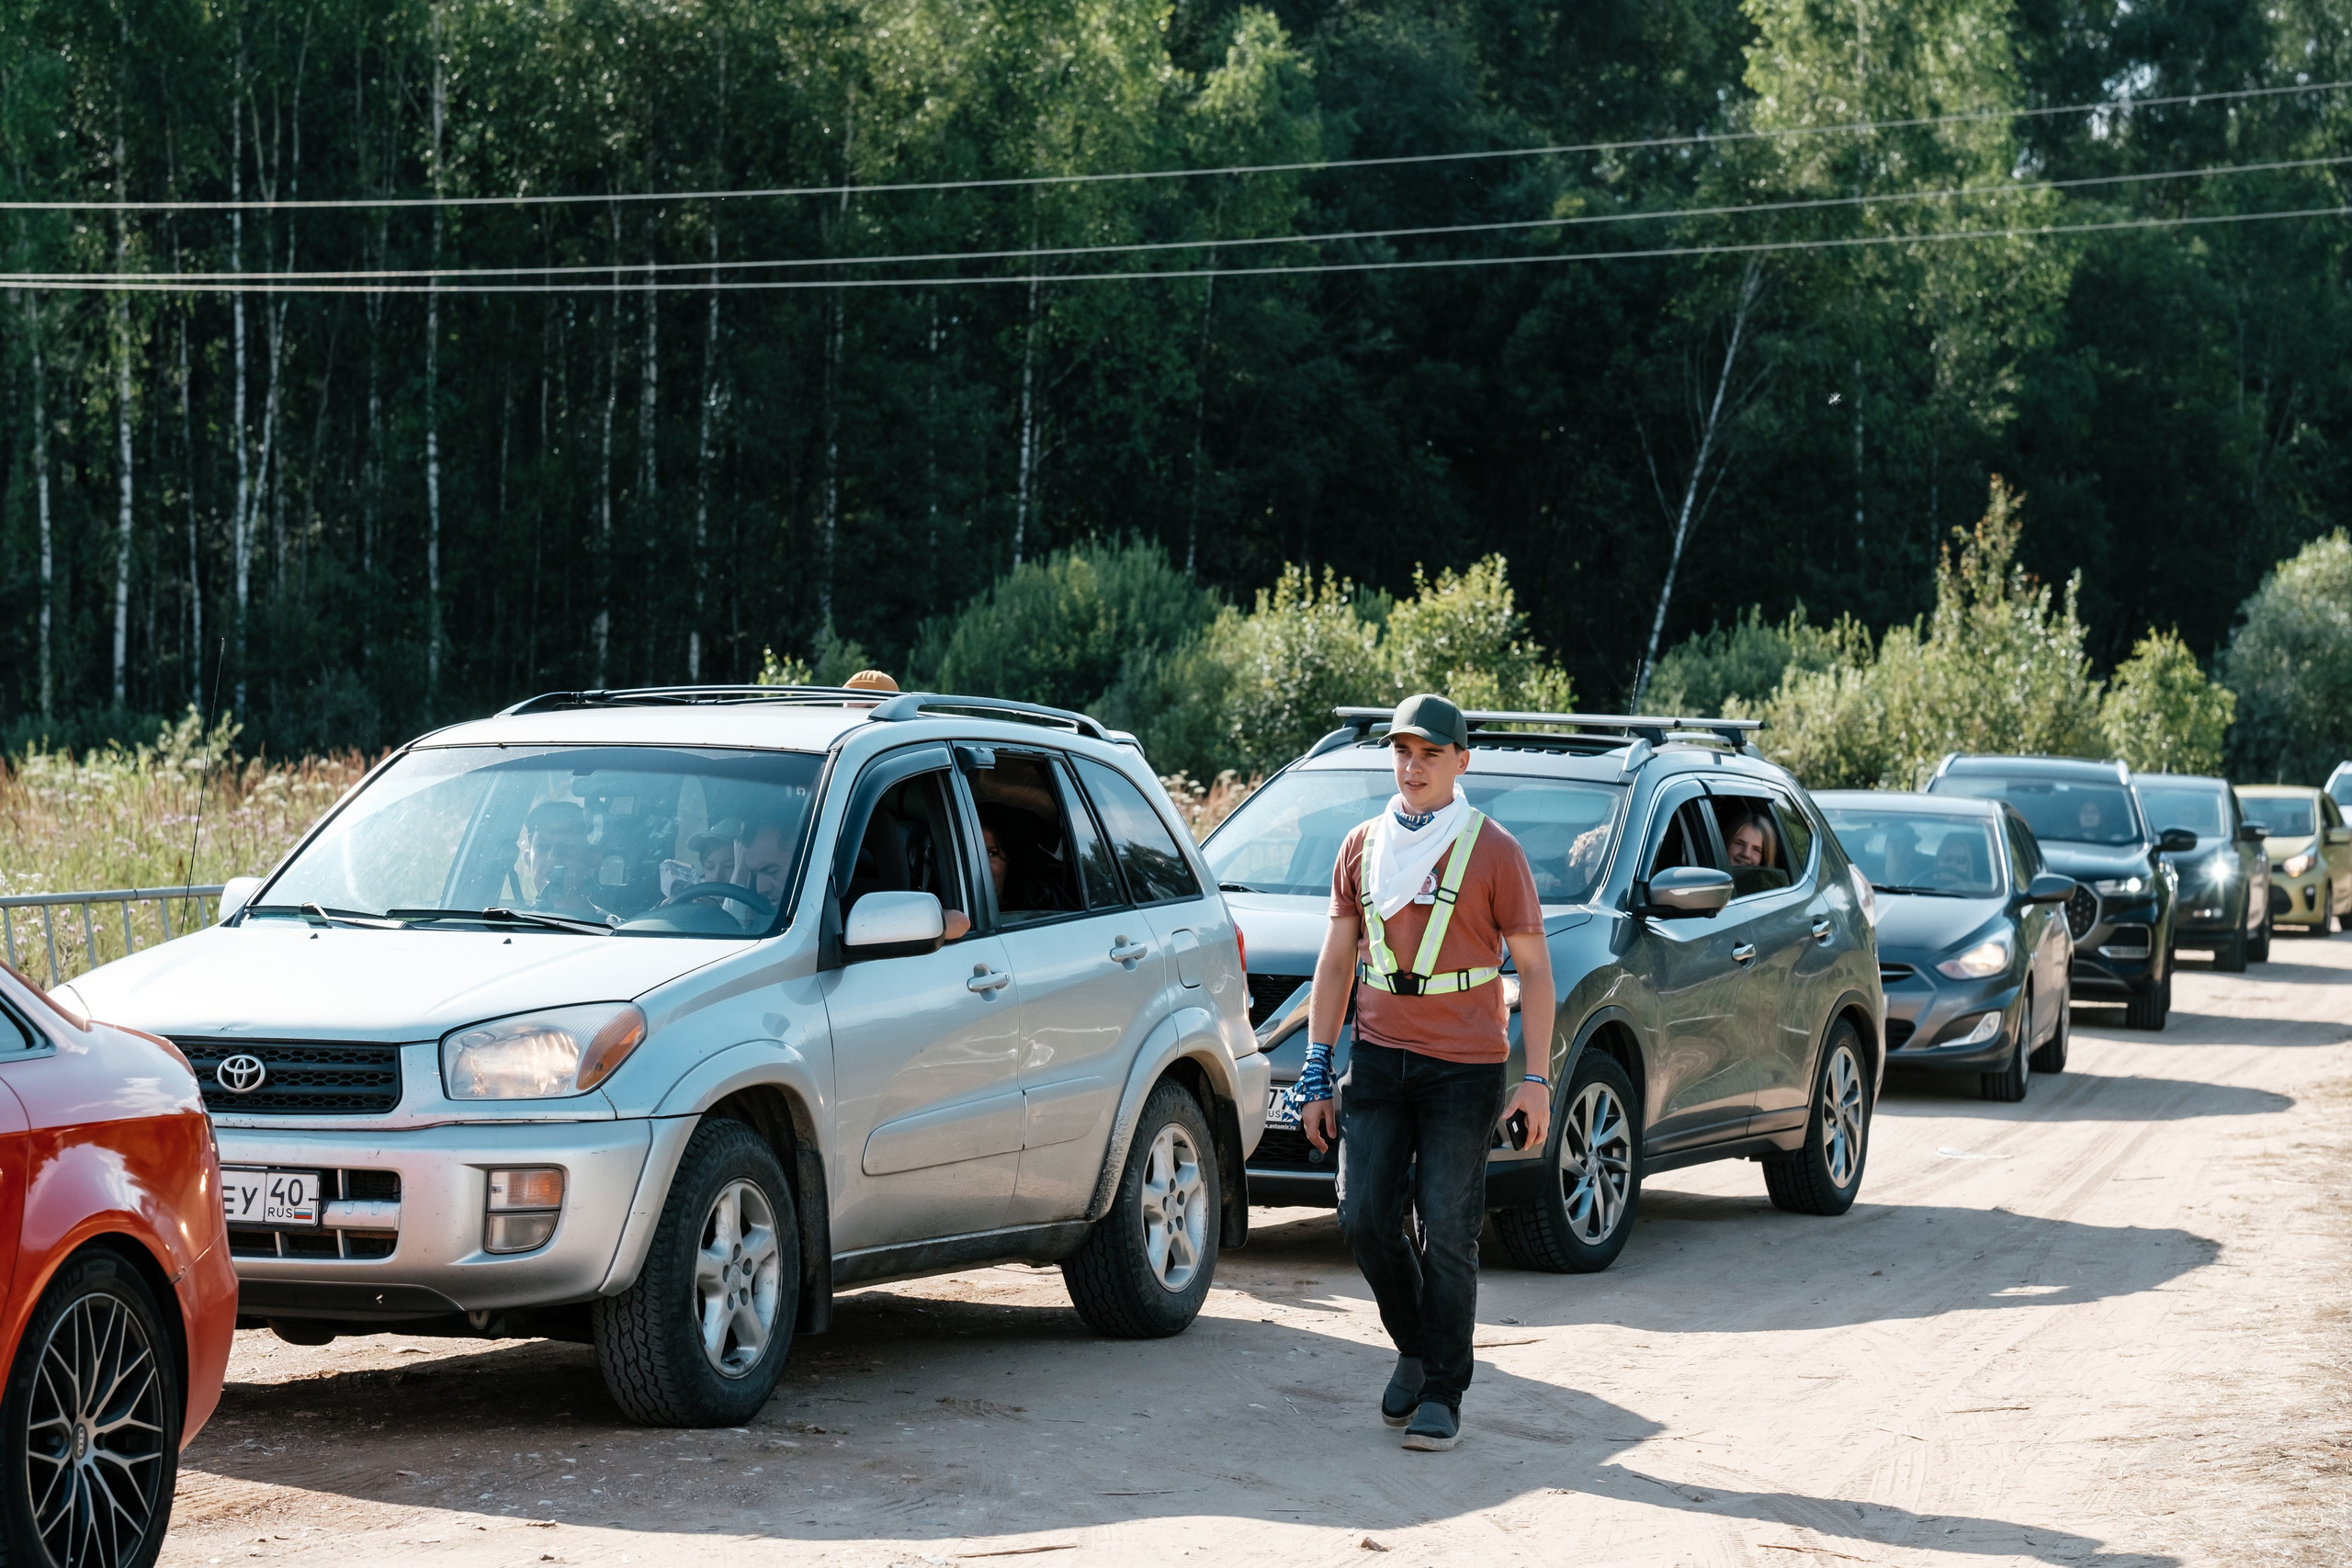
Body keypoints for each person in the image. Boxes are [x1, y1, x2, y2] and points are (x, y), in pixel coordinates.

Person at [1295, 694, 1556, 1453]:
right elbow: (1338, 956)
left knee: (1448, 1230)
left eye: (1430, 753)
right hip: (1377, 1056)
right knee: (1365, 1218)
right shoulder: (1361, 844)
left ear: (1461, 762)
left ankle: (1443, 1388)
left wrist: (1535, 1078)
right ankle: (1414, 1343)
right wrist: (1317, 1064)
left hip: (1465, 1067)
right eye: (1403, 752)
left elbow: (1534, 973)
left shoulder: (1495, 850)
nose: (1413, 766)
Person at [518, 800, 607, 919]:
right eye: (542, 847)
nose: (552, 857)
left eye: (565, 847)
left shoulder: (618, 933)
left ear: (592, 860)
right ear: (529, 861)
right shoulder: (509, 927)